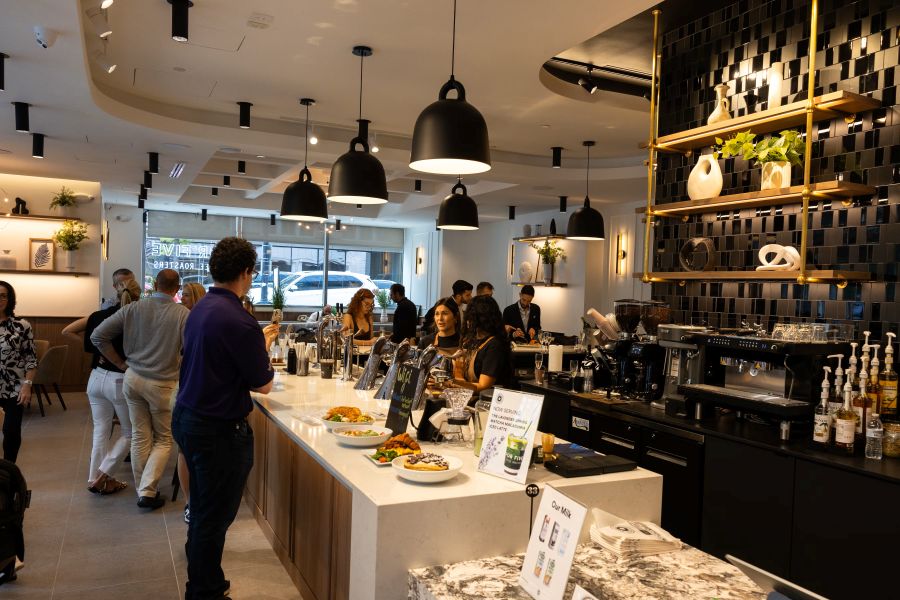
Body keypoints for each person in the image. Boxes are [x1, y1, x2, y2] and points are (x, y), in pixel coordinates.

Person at [172, 237, 274, 600]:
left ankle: (203, 577)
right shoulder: (240, 320)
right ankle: (204, 592)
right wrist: (260, 343)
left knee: (201, 511)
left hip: (187, 416)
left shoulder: (200, 308)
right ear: (247, 273)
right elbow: (264, 384)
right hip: (217, 430)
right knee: (213, 519)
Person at [91, 269, 189, 510]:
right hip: (162, 384)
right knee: (164, 439)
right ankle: (146, 491)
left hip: (132, 379)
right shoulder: (182, 314)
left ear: (155, 284)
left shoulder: (133, 309)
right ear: (177, 289)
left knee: (140, 436)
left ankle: (143, 489)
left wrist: (120, 363)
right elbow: (190, 351)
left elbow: (97, 336)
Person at [62, 278, 142, 495]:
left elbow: (68, 330)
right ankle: (102, 476)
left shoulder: (98, 316)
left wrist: (98, 351)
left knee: (100, 430)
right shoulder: (133, 319)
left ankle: (94, 478)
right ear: (138, 296)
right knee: (131, 432)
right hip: (119, 379)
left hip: (95, 378)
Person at [176, 282, 207, 524]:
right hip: (186, 387)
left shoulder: (196, 318)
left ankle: (192, 502)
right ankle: (190, 502)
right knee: (184, 450)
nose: (182, 298)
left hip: (189, 388)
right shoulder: (189, 317)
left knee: (186, 450)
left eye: (186, 294)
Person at [0, 281, 37, 463]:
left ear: (10, 299)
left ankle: (8, 471)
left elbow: (31, 359)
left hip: (14, 387)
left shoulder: (22, 326)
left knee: (11, 431)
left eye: (3, 295)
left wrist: (26, 386)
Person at [453, 295, 511, 397]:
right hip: (469, 397)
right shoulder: (470, 341)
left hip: (489, 402)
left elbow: (484, 386)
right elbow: (460, 376)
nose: (467, 320)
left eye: (470, 316)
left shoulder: (495, 345)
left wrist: (453, 384)